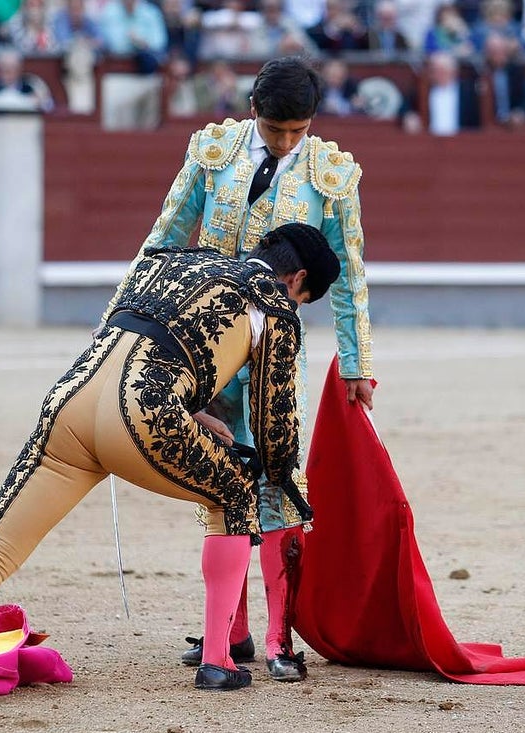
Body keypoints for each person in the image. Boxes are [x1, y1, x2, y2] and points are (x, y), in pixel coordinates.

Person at [0, 224, 343, 710]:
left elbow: (140, 337)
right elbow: (273, 420)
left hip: (71, 402)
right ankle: (217, 662)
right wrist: (282, 479)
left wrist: (190, 411)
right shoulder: (274, 304)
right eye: (303, 298)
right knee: (234, 493)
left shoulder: (175, 261)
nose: (296, 304)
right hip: (143, 414)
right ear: (297, 280)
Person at [104, 56, 374, 683]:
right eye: (276, 130)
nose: (285, 142)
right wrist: (121, 321)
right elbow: (163, 239)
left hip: (276, 349)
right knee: (218, 480)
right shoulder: (214, 152)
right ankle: (232, 629)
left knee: (278, 481)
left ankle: (280, 636)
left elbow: (348, 276)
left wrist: (358, 363)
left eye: (298, 131)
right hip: (207, 344)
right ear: (254, 111)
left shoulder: (331, 174)